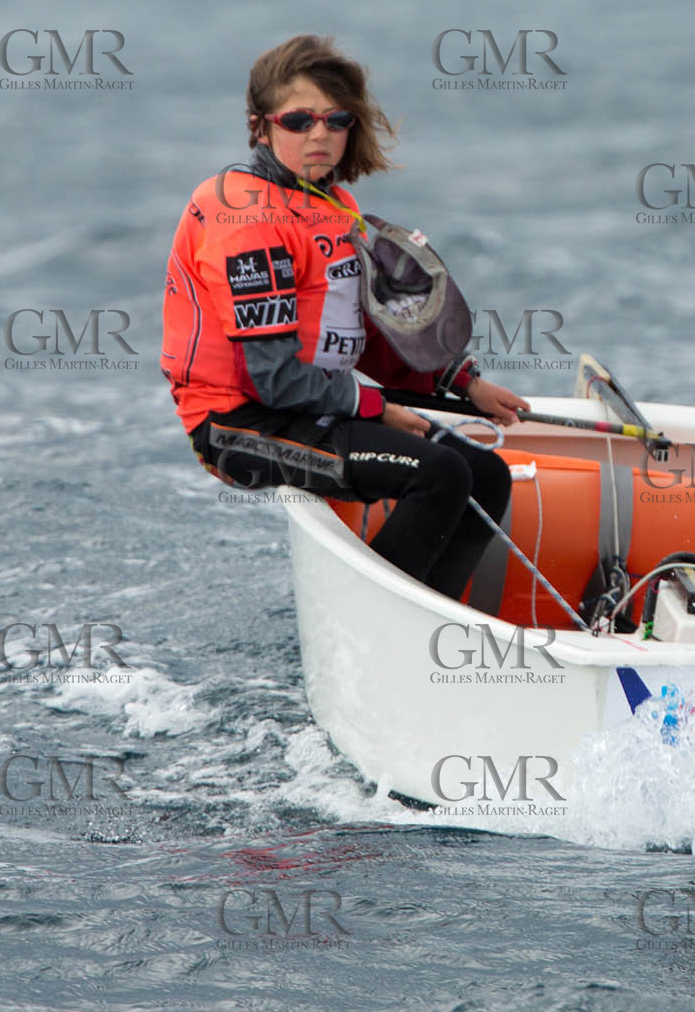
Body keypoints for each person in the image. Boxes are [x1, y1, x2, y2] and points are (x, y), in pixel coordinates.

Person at [160, 34, 528, 600]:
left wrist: (463, 383)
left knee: (487, 474)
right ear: (261, 127)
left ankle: (439, 617)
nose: (320, 136)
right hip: (239, 424)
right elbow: (274, 379)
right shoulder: (249, 220)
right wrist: (374, 407)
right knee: (440, 473)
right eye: (299, 120)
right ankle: (382, 621)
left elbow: (367, 336)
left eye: (335, 120)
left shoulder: (335, 206)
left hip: (315, 404)